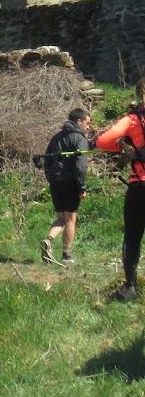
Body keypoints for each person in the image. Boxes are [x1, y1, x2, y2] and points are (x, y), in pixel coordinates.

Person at [95, 77, 145, 302]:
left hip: (139, 186)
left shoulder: (133, 119)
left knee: (133, 236)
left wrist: (128, 148)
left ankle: (130, 286)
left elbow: (103, 141)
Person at [40, 108, 93, 264]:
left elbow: (47, 160)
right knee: (70, 218)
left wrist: (51, 177)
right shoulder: (80, 139)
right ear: (79, 122)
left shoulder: (56, 137)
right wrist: (82, 187)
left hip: (55, 181)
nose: (88, 126)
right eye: (87, 122)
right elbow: (81, 166)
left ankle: (48, 240)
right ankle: (67, 255)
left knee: (61, 218)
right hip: (70, 182)